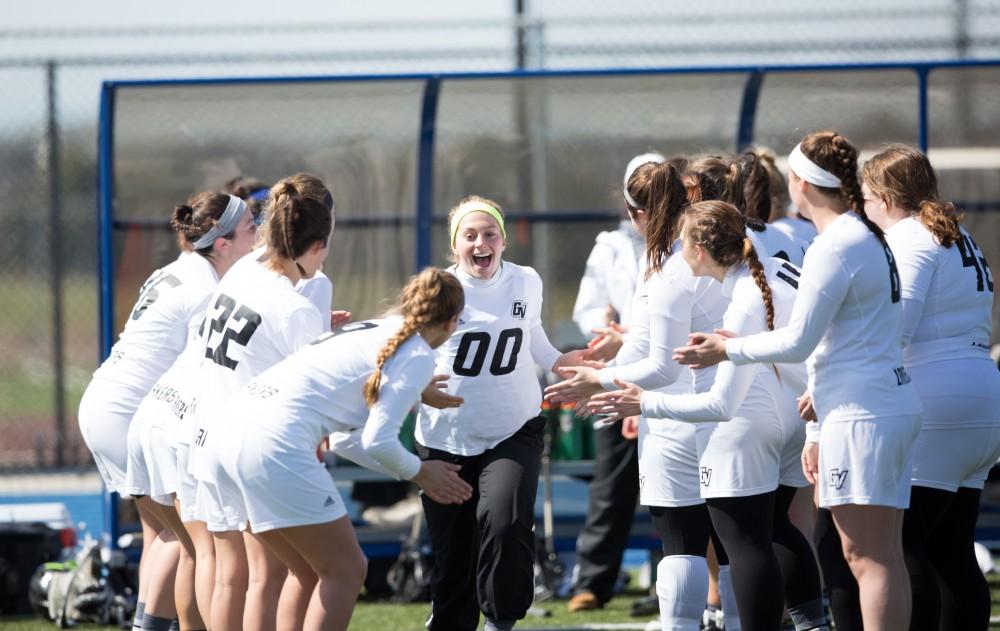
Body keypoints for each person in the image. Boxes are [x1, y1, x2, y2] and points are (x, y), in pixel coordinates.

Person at [674, 131, 923, 631]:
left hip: (863, 412)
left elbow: (798, 342)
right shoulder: (864, 233)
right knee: (883, 558)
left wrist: (728, 348)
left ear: (802, 182)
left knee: (868, 561)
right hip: (883, 403)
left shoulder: (839, 243)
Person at [591, 200, 828, 631]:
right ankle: (814, 623)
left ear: (700, 249)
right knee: (776, 529)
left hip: (752, 423)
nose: (677, 252)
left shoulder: (740, 300)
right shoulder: (772, 268)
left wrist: (643, 403)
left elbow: (719, 406)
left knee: (746, 542)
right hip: (798, 414)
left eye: (683, 242)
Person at [215, 267, 473, 631]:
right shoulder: (416, 354)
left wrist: (412, 468)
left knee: (306, 572)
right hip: (273, 444)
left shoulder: (377, 333)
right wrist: (421, 472)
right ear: (452, 323)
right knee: (348, 570)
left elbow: (347, 440)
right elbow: (378, 441)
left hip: (228, 433)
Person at [545, 161, 733, 631]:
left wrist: (600, 381)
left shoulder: (668, 270)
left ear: (637, 214)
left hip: (677, 418)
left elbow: (661, 364)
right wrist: (606, 369)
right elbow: (644, 344)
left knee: (682, 539)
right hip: (723, 412)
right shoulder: (702, 258)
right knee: (734, 541)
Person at [78, 191, 255, 631]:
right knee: (191, 538)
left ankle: (150, 624)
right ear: (224, 243)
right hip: (130, 412)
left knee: (166, 534)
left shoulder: (180, 270)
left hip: (111, 404)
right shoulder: (207, 288)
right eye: (251, 228)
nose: (259, 237)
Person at [415, 195, 586, 631]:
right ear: (455, 246)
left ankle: (500, 621)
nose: (480, 243)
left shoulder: (526, 281)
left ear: (504, 241)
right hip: (445, 438)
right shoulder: (439, 290)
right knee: (455, 558)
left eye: (489, 234)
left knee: (506, 521)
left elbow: (534, 339)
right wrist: (417, 390)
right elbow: (405, 359)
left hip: (513, 428)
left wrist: (565, 362)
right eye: (469, 236)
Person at [862, 145, 999, 631]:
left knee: (904, 546)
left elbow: (898, 327)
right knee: (951, 546)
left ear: (882, 195)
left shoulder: (909, 237)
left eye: (866, 198)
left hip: (938, 399)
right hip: (978, 393)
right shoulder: (955, 233)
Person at [186, 183, 334, 631]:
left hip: (207, 431)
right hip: (248, 442)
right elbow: (323, 391)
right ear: (315, 245)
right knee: (278, 574)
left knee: (241, 574)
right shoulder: (295, 306)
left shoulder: (245, 268)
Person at [566, 153, 659, 613]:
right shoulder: (610, 246)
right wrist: (601, 323)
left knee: (676, 484)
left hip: (666, 377)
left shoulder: (685, 241)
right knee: (612, 483)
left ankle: (674, 580)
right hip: (616, 374)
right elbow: (586, 307)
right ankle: (594, 580)